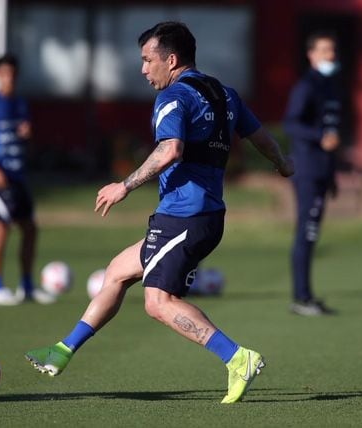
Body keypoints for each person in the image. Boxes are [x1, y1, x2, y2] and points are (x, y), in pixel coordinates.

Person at [25, 22, 294, 404]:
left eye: (147, 60)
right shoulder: (225, 94)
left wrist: (124, 185)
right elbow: (261, 138)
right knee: (117, 272)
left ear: (171, 60)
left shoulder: (174, 97)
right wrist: (282, 163)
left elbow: (170, 150)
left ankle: (237, 358)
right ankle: (62, 350)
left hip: (186, 217)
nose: (143, 69)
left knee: (157, 302)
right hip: (198, 215)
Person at [0, 54, 54, 306]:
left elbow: (25, 140)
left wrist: (28, 135)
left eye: (13, 74)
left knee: (30, 228)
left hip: (19, 177)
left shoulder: (20, 104)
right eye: (4, 73)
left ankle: (26, 286)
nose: (9, 78)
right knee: (0, 229)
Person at [283, 31, 342, 316]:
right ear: (311, 54)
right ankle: (301, 298)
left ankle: (306, 296)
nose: (330, 56)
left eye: (332, 50)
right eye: (324, 50)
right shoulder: (305, 87)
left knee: (312, 233)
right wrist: (319, 136)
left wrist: (332, 175)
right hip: (306, 171)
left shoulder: (329, 87)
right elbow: (291, 124)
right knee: (306, 233)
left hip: (321, 171)